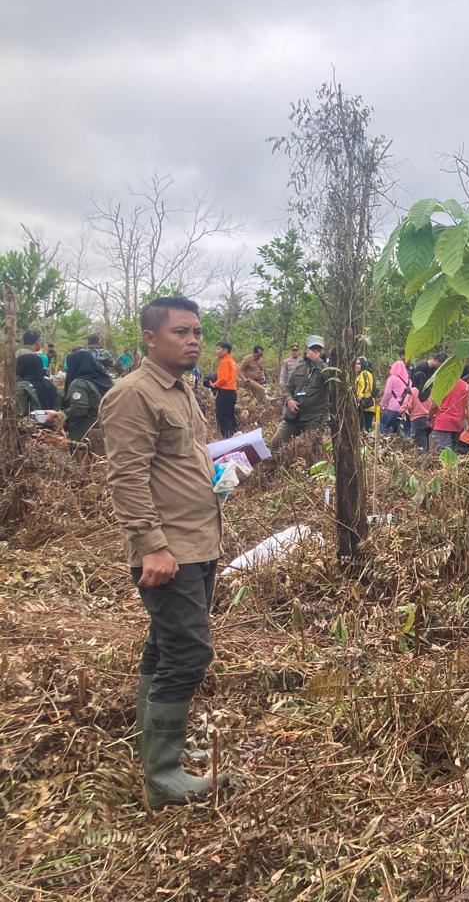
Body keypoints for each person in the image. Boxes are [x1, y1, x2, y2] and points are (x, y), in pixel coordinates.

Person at [98, 296, 222, 807]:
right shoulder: (133, 394)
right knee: (189, 652)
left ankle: (154, 745)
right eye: (180, 332)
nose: (193, 340)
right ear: (150, 338)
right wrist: (151, 546)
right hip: (169, 547)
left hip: (198, 539)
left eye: (196, 331)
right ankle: (163, 773)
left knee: (166, 644)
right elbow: (125, 476)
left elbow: (178, 460)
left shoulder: (183, 390)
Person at [273, 335, 330, 446]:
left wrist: (316, 360)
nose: (315, 351)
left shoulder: (326, 367)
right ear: (307, 350)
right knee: (275, 443)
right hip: (295, 416)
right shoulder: (300, 367)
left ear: (322, 351)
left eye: (318, 349)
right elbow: (288, 388)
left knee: (313, 449)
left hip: (314, 418)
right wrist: (289, 400)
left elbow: (330, 378)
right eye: (312, 348)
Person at [62, 348, 114, 443]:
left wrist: (61, 414)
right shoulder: (105, 380)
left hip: (83, 433)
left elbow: (79, 409)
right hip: (105, 429)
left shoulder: (79, 383)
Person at [425, 371, 469, 454]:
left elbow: (434, 406)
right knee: (453, 452)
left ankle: (447, 466)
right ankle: (453, 466)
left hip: (443, 423)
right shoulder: (465, 386)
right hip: (457, 423)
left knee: (445, 452)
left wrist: (429, 418)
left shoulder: (442, 385)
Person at [208, 341, 238, 438]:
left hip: (225, 393)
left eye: (218, 349)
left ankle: (227, 439)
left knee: (223, 417)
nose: (217, 351)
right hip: (232, 392)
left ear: (225, 350)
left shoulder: (225, 362)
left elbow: (224, 379)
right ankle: (234, 436)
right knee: (230, 416)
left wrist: (214, 385)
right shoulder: (232, 362)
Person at [379, 358, 410, 436]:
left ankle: (385, 445)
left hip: (392, 407)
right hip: (404, 409)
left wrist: (383, 405)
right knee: (400, 431)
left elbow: (387, 393)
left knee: (384, 425)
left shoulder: (392, 378)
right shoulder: (409, 381)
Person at [403, 380, 432, 452]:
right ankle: (428, 457)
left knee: (419, 442)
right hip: (429, 419)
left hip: (416, 420)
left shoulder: (412, 391)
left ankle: (422, 458)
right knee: (427, 440)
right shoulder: (430, 391)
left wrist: (401, 411)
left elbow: (408, 406)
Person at [354, 358, 376, 433]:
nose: (357, 365)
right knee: (365, 429)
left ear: (363, 364)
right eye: (356, 363)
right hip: (367, 405)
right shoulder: (365, 373)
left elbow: (365, 387)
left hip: (366, 405)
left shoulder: (364, 373)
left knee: (365, 430)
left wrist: (359, 399)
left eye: (359, 364)